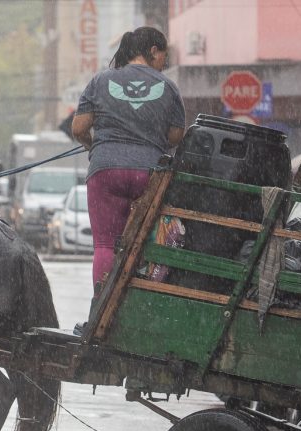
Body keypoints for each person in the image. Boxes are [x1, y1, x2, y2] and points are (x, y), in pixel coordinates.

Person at [70, 26, 186, 301]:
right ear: (153, 51)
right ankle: (137, 304)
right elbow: (176, 136)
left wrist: (93, 145)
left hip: (105, 171)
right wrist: (150, 135)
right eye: (164, 56)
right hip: (149, 174)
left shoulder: (101, 80)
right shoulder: (168, 86)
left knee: (105, 245)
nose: (164, 63)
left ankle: (103, 306)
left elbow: (78, 128)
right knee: (144, 244)